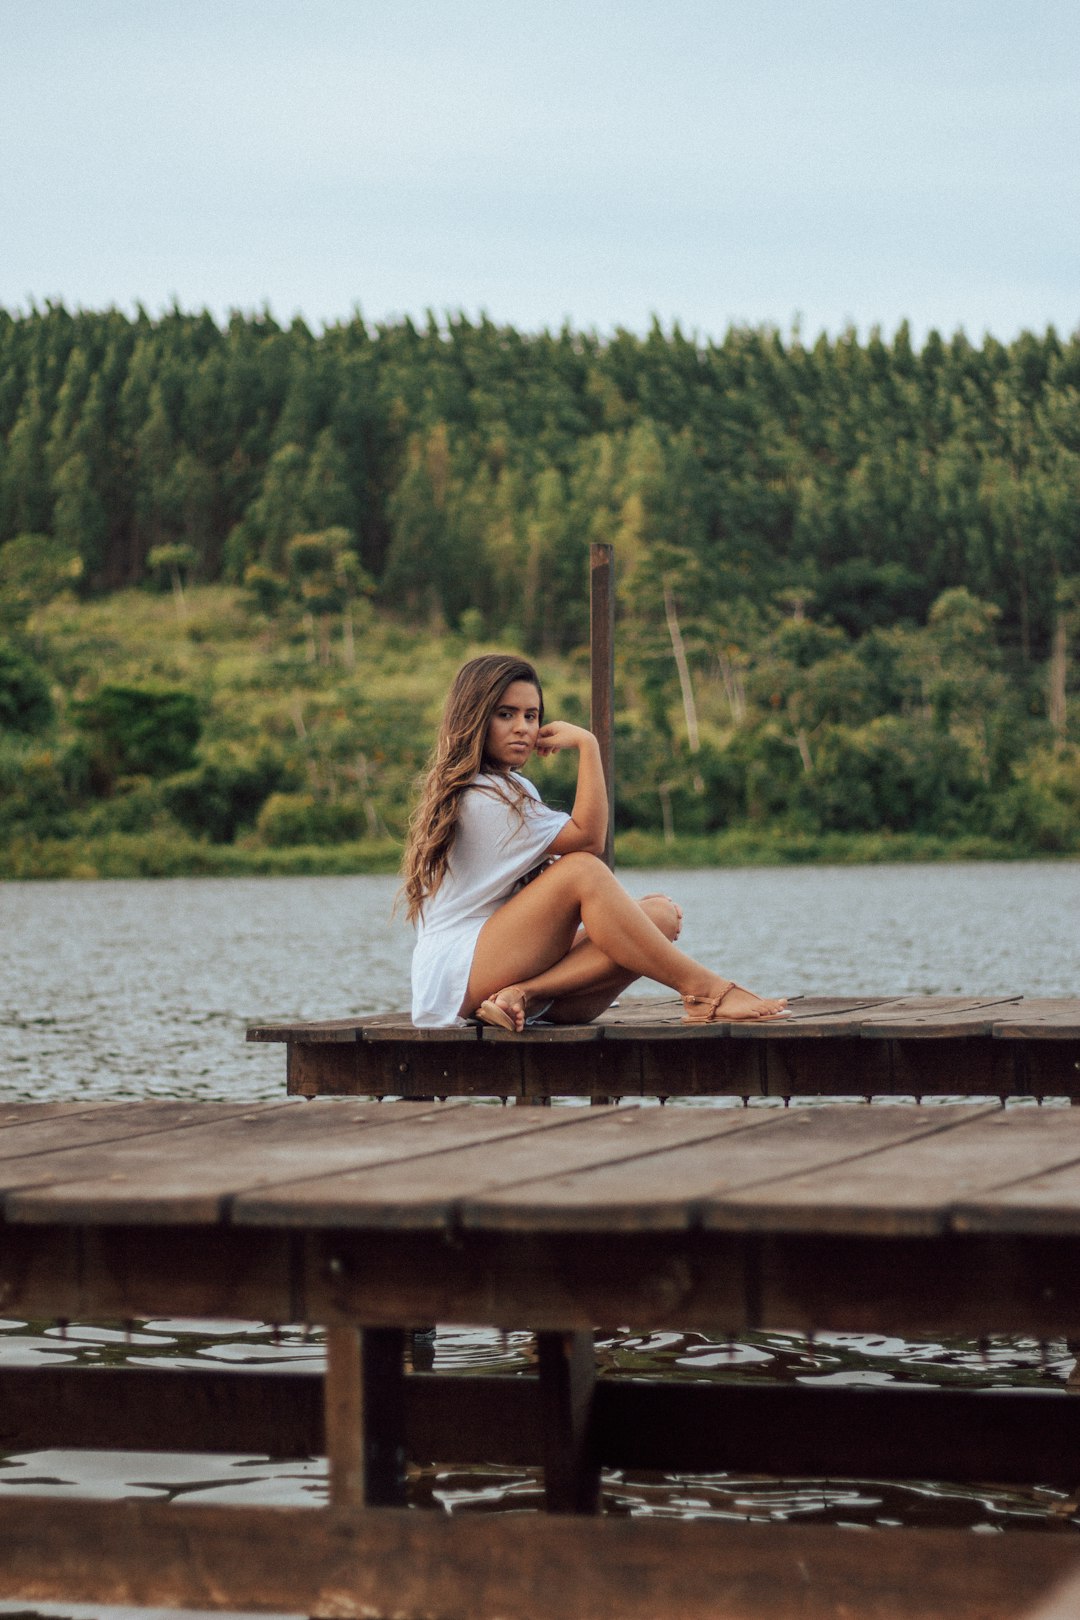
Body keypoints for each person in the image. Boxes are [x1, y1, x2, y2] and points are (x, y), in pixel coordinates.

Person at [401, 653, 787, 1031]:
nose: (523, 727)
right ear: (474, 719)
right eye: (506, 714)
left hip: (502, 973)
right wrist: (588, 746)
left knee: (659, 916)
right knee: (581, 869)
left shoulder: (512, 787)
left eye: (531, 716)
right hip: (457, 976)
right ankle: (707, 991)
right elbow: (588, 839)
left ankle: (525, 994)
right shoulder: (479, 797)